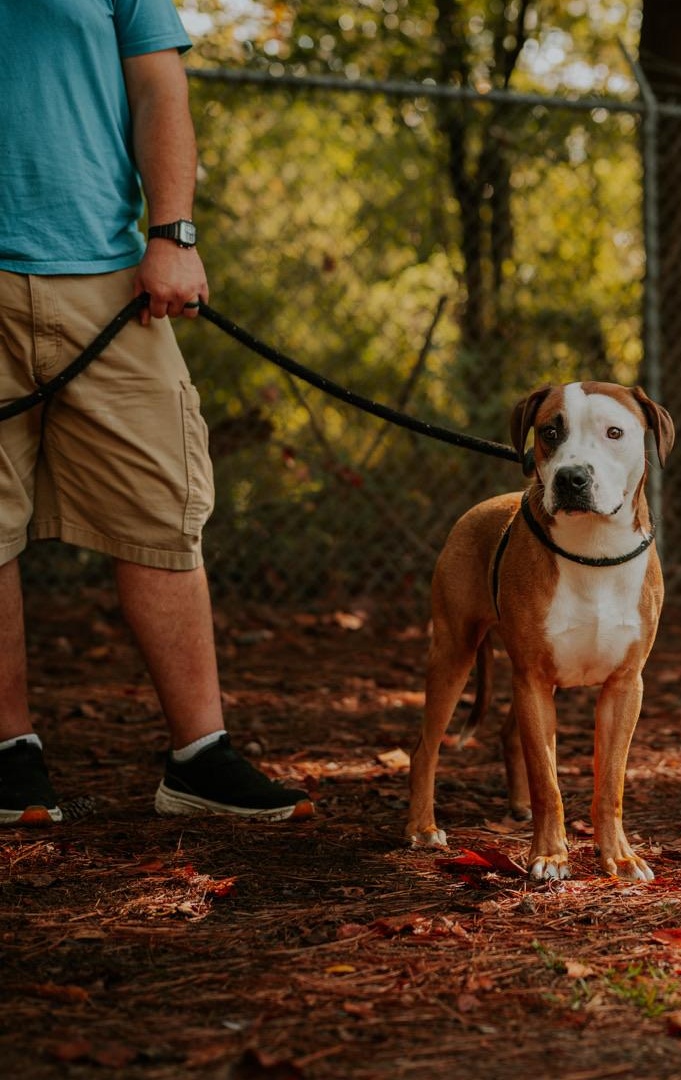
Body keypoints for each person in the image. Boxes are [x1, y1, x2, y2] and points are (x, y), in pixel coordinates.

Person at [0, 0, 313, 824]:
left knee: (164, 506)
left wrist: (171, 232)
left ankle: (199, 758)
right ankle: (8, 753)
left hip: (108, 280)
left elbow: (158, 89)